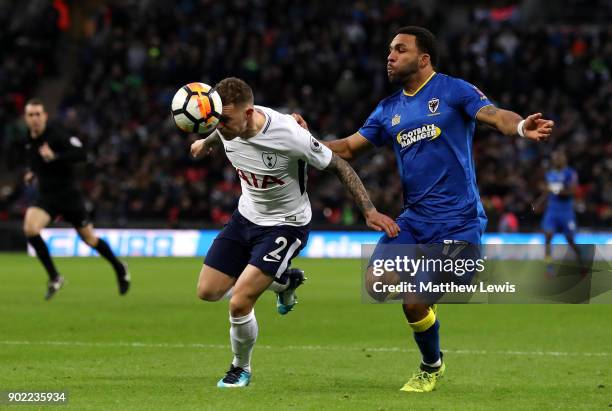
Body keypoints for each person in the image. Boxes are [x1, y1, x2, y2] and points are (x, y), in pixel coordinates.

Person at [293, 26, 553, 392]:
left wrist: (523, 126)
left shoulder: (453, 90)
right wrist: (304, 142)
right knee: (377, 283)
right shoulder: (388, 110)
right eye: (389, 50)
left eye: (400, 49)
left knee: (414, 302)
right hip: (414, 221)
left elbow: (495, 116)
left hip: (459, 223)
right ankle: (428, 293)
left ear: (423, 58)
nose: (391, 56)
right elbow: (349, 148)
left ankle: (431, 365)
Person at [190, 77, 399, 388]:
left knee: (239, 301)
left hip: (286, 224)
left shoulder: (289, 135)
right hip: (245, 217)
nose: (219, 126)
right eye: (216, 120)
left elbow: (340, 165)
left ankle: (240, 368)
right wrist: (204, 142)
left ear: (248, 114)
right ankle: (285, 281)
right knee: (207, 291)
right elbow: (220, 133)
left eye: (225, 120)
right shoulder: (226, 126)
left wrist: (368, 210)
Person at [22, 99, 130, 300]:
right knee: (30, 228)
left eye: (38, 114)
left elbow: (81, 154)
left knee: (89, 239)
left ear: (45, 116)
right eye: (30, 115)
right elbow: (34, 159)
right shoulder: (29, 137)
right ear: (26, 118)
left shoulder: (57, 134)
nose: (35, 119)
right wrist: (31, 172)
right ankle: (55, 277)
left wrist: (55, 156)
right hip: (47, 197)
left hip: (68, 196)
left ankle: (119, 266)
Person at [541, 151, 582, 273]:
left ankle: (581, 262)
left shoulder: (570, 173)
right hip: (552, 210)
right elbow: (547, 191)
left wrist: (557, 190)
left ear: (564, 159)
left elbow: (573, 191)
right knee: (548, 236)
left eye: (559, 157)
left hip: (566, 211)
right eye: (555, 158)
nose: (556, 160)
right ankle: (549, 268)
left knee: (570, 239)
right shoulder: (549, 174)